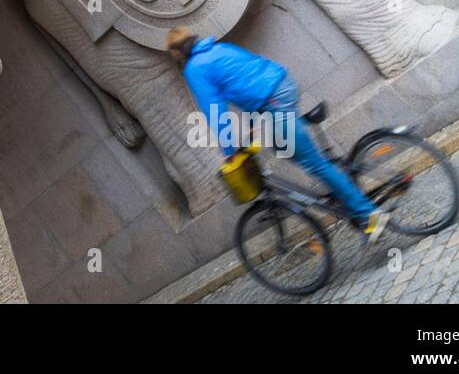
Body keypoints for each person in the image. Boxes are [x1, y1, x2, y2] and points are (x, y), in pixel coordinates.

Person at [166, 26, 388, 239]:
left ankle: (370, 216)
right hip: (282, 86)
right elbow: (248, 77)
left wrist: (229, 150)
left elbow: (215, 111)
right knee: (282, 147)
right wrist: (253, 122)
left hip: (274, 100)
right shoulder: (216, 48)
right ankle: (343, 189)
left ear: (176, 52)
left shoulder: (195, 68)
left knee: (314, 163)